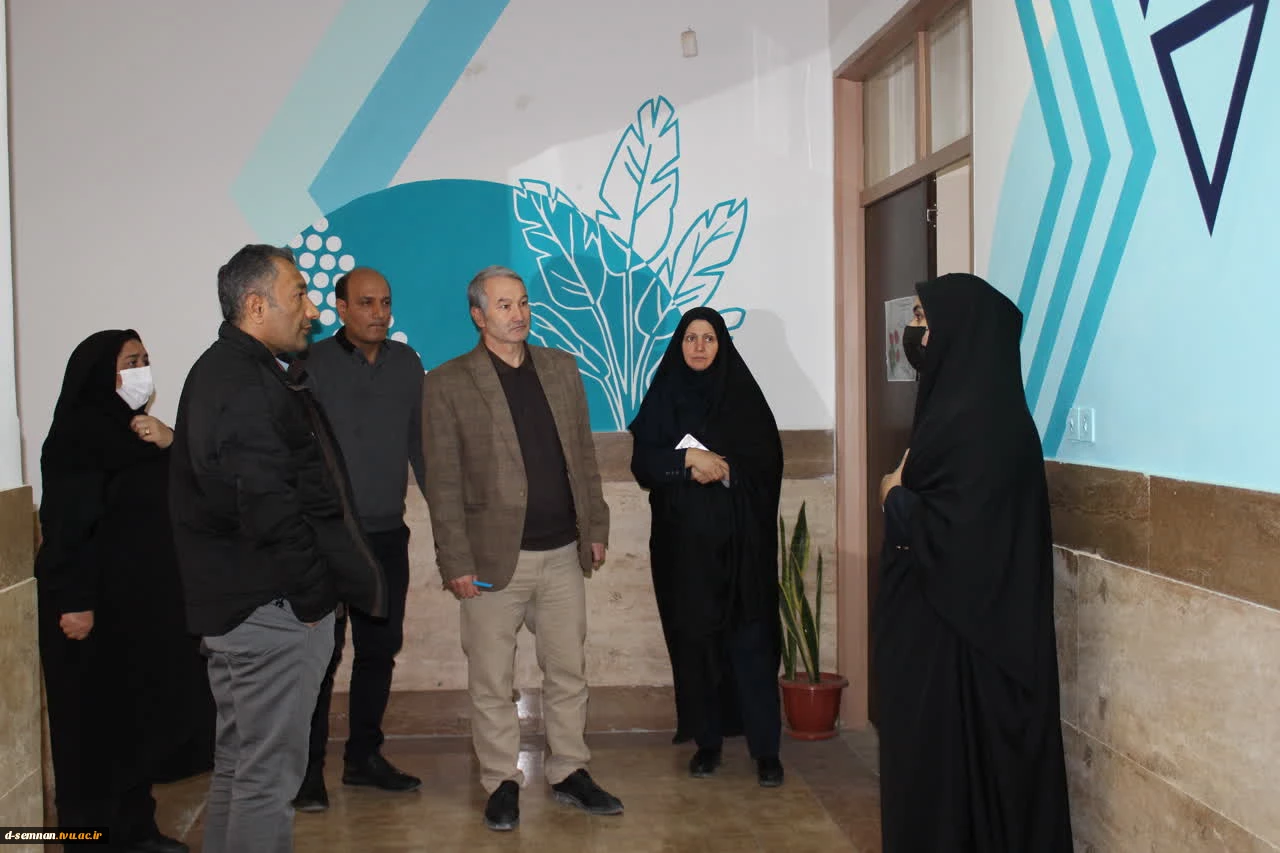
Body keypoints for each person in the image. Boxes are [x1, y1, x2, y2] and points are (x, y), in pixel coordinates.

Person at [169, 244, 385, 853]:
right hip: (271, 612)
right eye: (299, 295)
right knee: (267, 780)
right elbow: (267, 506)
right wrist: (313, 599)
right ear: (256, 305)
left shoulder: (227, 370)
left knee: (241, 767)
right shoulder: (243, 383)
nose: (311, 310)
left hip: (245, 608)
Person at [874, 273, 1073, 852]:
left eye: (923, 319)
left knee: (955, 783)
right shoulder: (961, 413)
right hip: (941, 638)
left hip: (968, 649)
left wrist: (894, 497)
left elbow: (964, 538)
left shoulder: (982, 426)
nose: (914, 332)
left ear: (961, 332)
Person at [422, 266, 621, 832]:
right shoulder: (448, 383)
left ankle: (569, 771)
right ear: (478, 316)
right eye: (504, 305)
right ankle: (500, 781)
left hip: (562, 552)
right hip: (490, 561)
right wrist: (455, 562)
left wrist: (596, 526)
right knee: (491, 680)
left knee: (568, 671)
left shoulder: (560, 368)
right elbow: (443, 482)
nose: (518, 314)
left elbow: (583, 456)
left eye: (524, 303)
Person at [36, 330, 213, 853]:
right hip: (89, 612)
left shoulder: (140, 433)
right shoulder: (76, 437)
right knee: (90, 733)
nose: (142, 371)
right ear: (98, 373)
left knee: (135, 727)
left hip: (136, 611)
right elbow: (68, 526)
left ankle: (136, 830)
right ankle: (87, 838)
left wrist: (171, 441)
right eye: (130, 361)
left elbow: (187, 492)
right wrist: (75, 602)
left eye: (145, 360)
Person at [628, 307, 785, 787]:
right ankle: (708, 743)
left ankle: (766, 751)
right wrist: (688, 460)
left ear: (723, 346)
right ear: (679, 345)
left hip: (743, 551)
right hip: (684, 553)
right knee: (697, 645)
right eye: (690, 338)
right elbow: (643, 463)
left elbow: (768, 464)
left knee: (751, 642)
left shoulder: (743, 398)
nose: (699, 347)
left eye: (709, 338)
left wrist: (725, 468)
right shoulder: (665, 394)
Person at [293, 267, 427, 810]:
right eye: (366, 303)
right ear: (342, 309)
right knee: (320, 657)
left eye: (385, 303)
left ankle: (363, 758)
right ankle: (306, 772)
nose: (379, 313)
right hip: (327, 538)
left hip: (387, 535)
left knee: (379, 651)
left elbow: (422, 447)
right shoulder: (310, 365)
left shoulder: (408, 364)